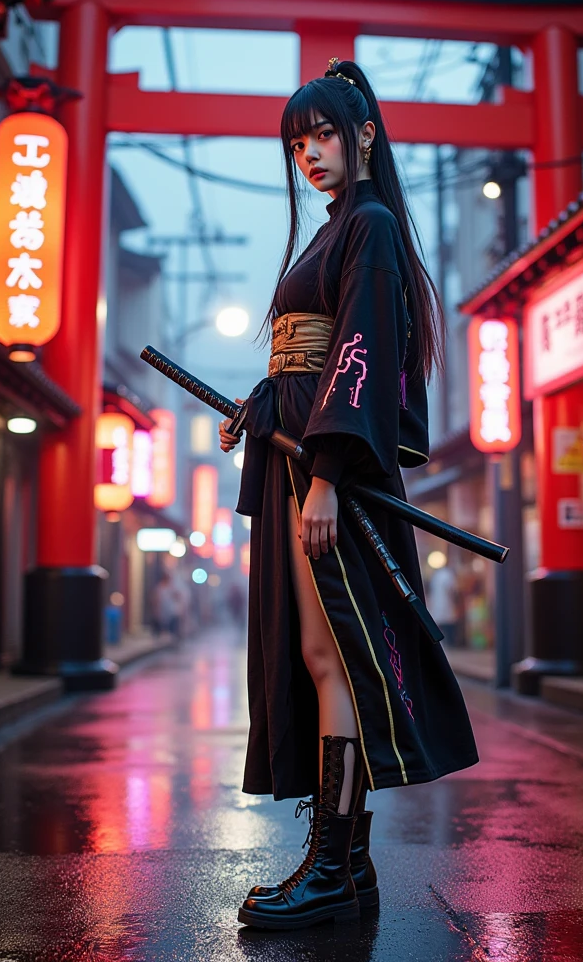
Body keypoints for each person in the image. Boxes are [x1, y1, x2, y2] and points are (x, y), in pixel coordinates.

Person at [219, 58, 479, 931]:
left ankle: (332, 867)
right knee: (321, 654)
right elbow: (312, 355)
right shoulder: (339, 229)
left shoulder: (367, 224)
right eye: (298, 143)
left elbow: (361, 350)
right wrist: (263, 406)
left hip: (326, 472)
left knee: (337, 655)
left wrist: (328, 474)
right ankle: (347, 866)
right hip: (299, 456)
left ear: (364, 134)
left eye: (323, 134)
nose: (310, 155)